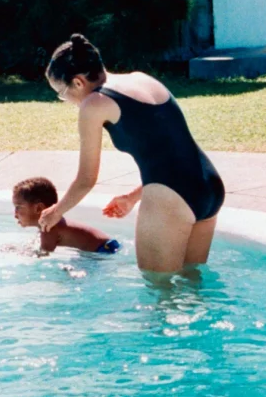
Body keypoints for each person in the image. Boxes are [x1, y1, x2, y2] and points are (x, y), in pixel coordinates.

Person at [39, 34, 225, 273]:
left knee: (159, 293)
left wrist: (56, 211)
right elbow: (173, 151)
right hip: (209, 186)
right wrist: (133, 197)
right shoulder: (141, 79)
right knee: (193, 284)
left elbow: (86, 179)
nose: (66, 100)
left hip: (172, 199)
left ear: (77, 83)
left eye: (62, 94)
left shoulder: (93, 104)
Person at [12, 177, 120, 255]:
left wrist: (20, 253)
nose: (15, 214)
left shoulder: (49, 227)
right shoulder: (51, 224)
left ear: (38, 209)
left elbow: (43, 254)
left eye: (18, 207)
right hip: (108, 245)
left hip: (103, 251)